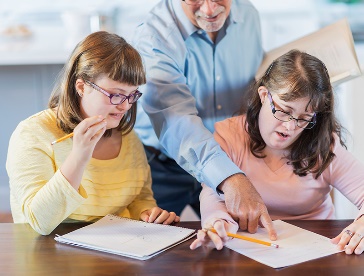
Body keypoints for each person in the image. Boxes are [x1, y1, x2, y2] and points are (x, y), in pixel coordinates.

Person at [189, 49, 364, 255]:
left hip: (315, 253)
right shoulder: (229, 135)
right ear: (264, 95)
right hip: (248, 251)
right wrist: (218, 223)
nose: (290, 127)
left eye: (304, 118)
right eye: (284, 111)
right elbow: (213, 194)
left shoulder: (323, 143)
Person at [6, 31, 179, 236]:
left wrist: (149, 214)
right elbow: (40, 222)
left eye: (132, 95)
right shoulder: (32, 133)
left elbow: (140, 198)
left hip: (116, 254)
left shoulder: (128, 137)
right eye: (115, 95)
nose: (125, 106)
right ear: (81, 86)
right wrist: (79, 155)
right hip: (47, 255)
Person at [132, 0, 276, 238]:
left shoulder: (248, 15)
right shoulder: (153, 35)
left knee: (243, 247)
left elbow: (253, 86)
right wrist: (229, 177)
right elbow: (176, 119)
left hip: (234, 158)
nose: (209, 10)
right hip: (163, 167)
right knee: (149, 251)